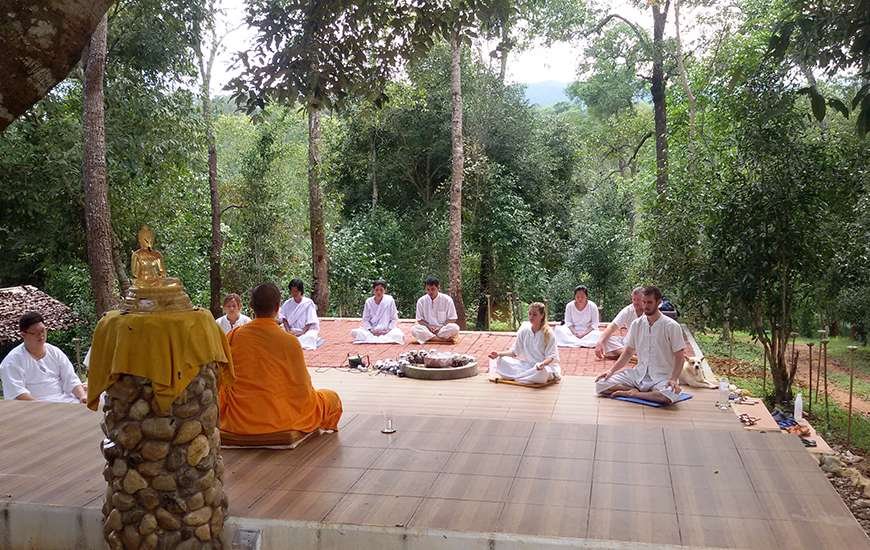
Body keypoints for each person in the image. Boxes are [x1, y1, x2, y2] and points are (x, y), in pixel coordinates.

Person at [219, 283, 342, 435]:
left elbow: (222, 381)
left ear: (251, 306)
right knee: (332, 398)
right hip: (282, 420)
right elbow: (302, 390)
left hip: (239, 419)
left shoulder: (233, 336)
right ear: (278, 307)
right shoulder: (290, 342)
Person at [595, 286, 686, 405]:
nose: (645, 306)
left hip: (661, 376)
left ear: (658, 303)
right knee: (600, 384)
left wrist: (674, 379)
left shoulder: (671, 326)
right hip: (638, 374)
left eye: (649, 302)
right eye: (644, 302)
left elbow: (680, 356)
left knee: (670, 394)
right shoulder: (636, 324)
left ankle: (634, 394)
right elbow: (628, 352)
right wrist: (611, 371)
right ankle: (646, 393)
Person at [0, 311, 87, 404]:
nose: (41, 335)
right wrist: (43, 407)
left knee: (100, 398)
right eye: (35, 333)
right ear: (23, 335)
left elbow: (71, 379)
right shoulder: (12, 361)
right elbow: (18, 393)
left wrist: (82, 396)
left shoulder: (55, 352)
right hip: (33, 406)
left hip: (64, 400)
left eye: (43, 331)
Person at [488, 302, 560, 385]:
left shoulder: (548, 333)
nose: (531, 317)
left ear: (542, 315)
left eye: (534, 315)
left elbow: (551, 357)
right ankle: (525, 377)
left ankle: (519, 377)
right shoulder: (524, 331)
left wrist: (542, 364)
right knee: (502, 360)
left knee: (542, 373)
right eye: (530, 314)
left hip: (542, 368)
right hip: (527, 367)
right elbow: (514, 352)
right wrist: (498, 354)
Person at [594, 286, 644, 359]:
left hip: (645, 343)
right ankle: (632, 356)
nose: (635, 302)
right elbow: (612, 326)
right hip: (629, 343)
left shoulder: (650, 310)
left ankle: (624, 355)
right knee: (606, 339)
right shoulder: (628, 310)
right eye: (634, 299)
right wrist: (599, 343)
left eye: (638, 300)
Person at [350, 280, 404, 344]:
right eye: (376, 290)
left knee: (398, 335)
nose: (379, 292)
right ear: (373, 290)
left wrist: (388, 330)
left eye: (381, 290)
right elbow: (365, 319)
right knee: (354, 332)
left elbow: (394, 318)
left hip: (386, 330)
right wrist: (371, 330)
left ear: (385, 290)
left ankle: (375, 339)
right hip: (372, 331)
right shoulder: (368, 301)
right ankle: (380, 339)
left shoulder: (389, 300)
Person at [410, 277, 460, 344]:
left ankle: (430, 338)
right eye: (428, 289)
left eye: (433, 289)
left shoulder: (447, 300)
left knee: (455, 328)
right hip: (427, 329)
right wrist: (429, 326)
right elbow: (419, 320)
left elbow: (452, 318)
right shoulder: (421, 301)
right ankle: (440, 340)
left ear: (438, 288)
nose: (430, 292)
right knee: (414, 329)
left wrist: (440, 327)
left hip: (442, 329)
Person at [279, 279, 324, 350]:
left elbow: (310, 321)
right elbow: (284, 319)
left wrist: (302, 332)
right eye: (292, 291)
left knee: (309, 337)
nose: (294, 293)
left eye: (296, 291)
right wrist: (288, 332)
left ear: (301, 291)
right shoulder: (287, 303)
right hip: (291, 330)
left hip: (305, 331)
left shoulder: (308, 303)